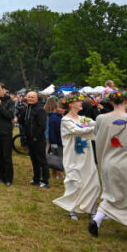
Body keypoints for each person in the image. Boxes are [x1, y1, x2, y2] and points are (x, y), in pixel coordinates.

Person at [89, 91, 127, 237]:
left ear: (110, 102)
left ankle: (97, 221)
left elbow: (96, 136)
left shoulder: (100, 119)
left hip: (108, 162)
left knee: (110, 193)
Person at [53, 91, 100, 221]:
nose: (81, 103)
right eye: (79, 101)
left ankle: (91, 208)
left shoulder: (82, 118)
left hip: (87, 157)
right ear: (71, 104)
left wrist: (104, 123)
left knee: (93, 182)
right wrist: (94, 128)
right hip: (74, 157)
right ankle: (72, 208)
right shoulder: (65, 120)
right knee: (75, 182)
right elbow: (77, 131)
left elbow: (95, 123)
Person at [18, 91, 50, 188]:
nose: (30, 99)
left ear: (36, 98)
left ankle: (45, 180)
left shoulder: (40, 110)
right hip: (29, 138)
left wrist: (36, 137)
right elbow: (21, 121)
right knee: (34, 160)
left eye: (32, 97)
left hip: (38, 139)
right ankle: (36, 178)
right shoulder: (27, 108)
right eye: (29, 97)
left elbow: (42, 126)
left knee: (41, 160)